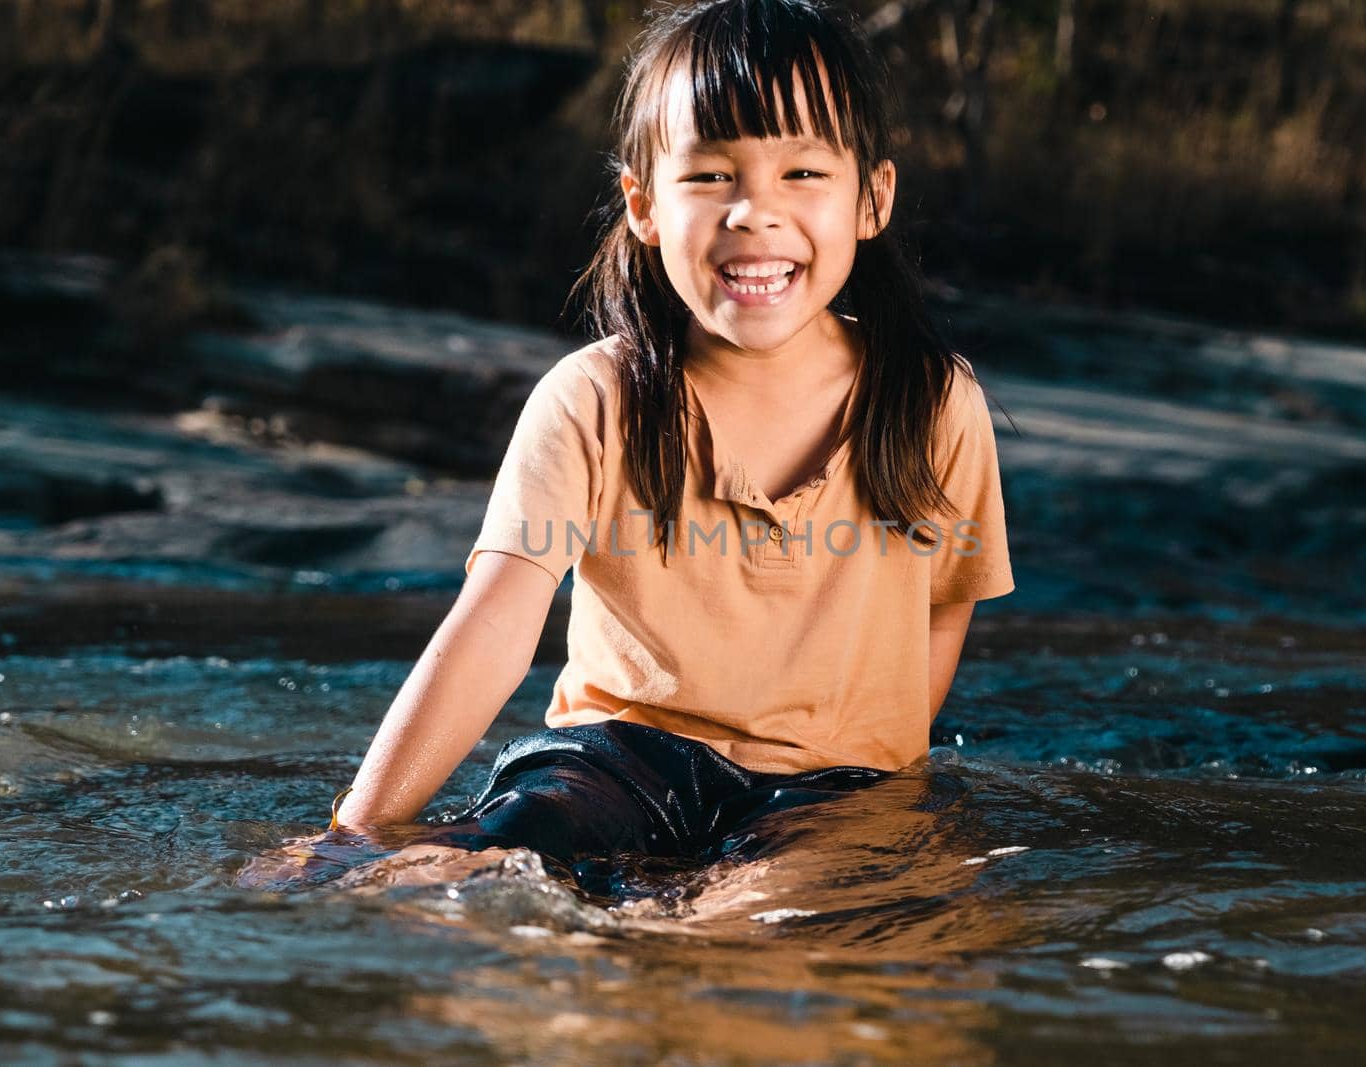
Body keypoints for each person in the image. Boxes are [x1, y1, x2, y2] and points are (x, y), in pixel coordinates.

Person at [321, 0, 1015, 886]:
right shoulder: (594, 397)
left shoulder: (931, 400)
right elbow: (493, 622)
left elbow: (943, 604)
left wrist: (871, 763)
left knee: (762, 903)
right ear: (643, 204)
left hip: (834, 789)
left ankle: (687, 920)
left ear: (872, 197)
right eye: (711, 176)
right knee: (467, 861)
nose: (754, 214)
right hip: (617, 761)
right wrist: (357, 828)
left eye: (802, 172)